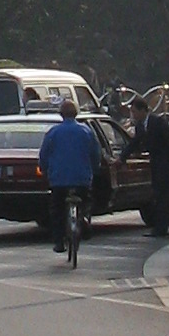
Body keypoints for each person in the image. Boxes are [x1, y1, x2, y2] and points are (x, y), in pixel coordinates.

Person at [38, 98, 99, 246]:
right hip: (81, 179)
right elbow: (95, 154)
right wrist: (93, 170)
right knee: (85, 201)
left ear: (61, 114)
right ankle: (83, 220)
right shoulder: (86, 131)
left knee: (57, 209)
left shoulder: (53, 132)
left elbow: (44, 155)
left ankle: (59, 241)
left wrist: (44, 170)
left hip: (58, 179)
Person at [136, 88, 169, 237]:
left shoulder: (157, 122)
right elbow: (135, 142)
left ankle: (161, 228)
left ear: (143, 111)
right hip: (155, 165)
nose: (133, 115)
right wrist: (123, 157)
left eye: (134, 112)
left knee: (162, 197)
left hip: (165, 164)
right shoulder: (140, 126)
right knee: (163, 197)